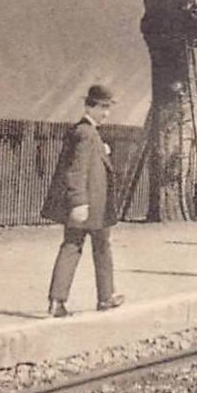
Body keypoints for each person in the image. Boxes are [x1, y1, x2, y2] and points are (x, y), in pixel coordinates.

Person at [43, 84, 124, 317]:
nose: (107, 113)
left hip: (92, 206)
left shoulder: (88, 132)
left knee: (85, 247)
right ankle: (99, 298)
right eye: (103, 108)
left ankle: (62, 300)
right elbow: (75, 171)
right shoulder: (86, 133)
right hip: (89, 206)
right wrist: (78, 202)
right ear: (91, 106)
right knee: (85, 247)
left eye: (108, 108)